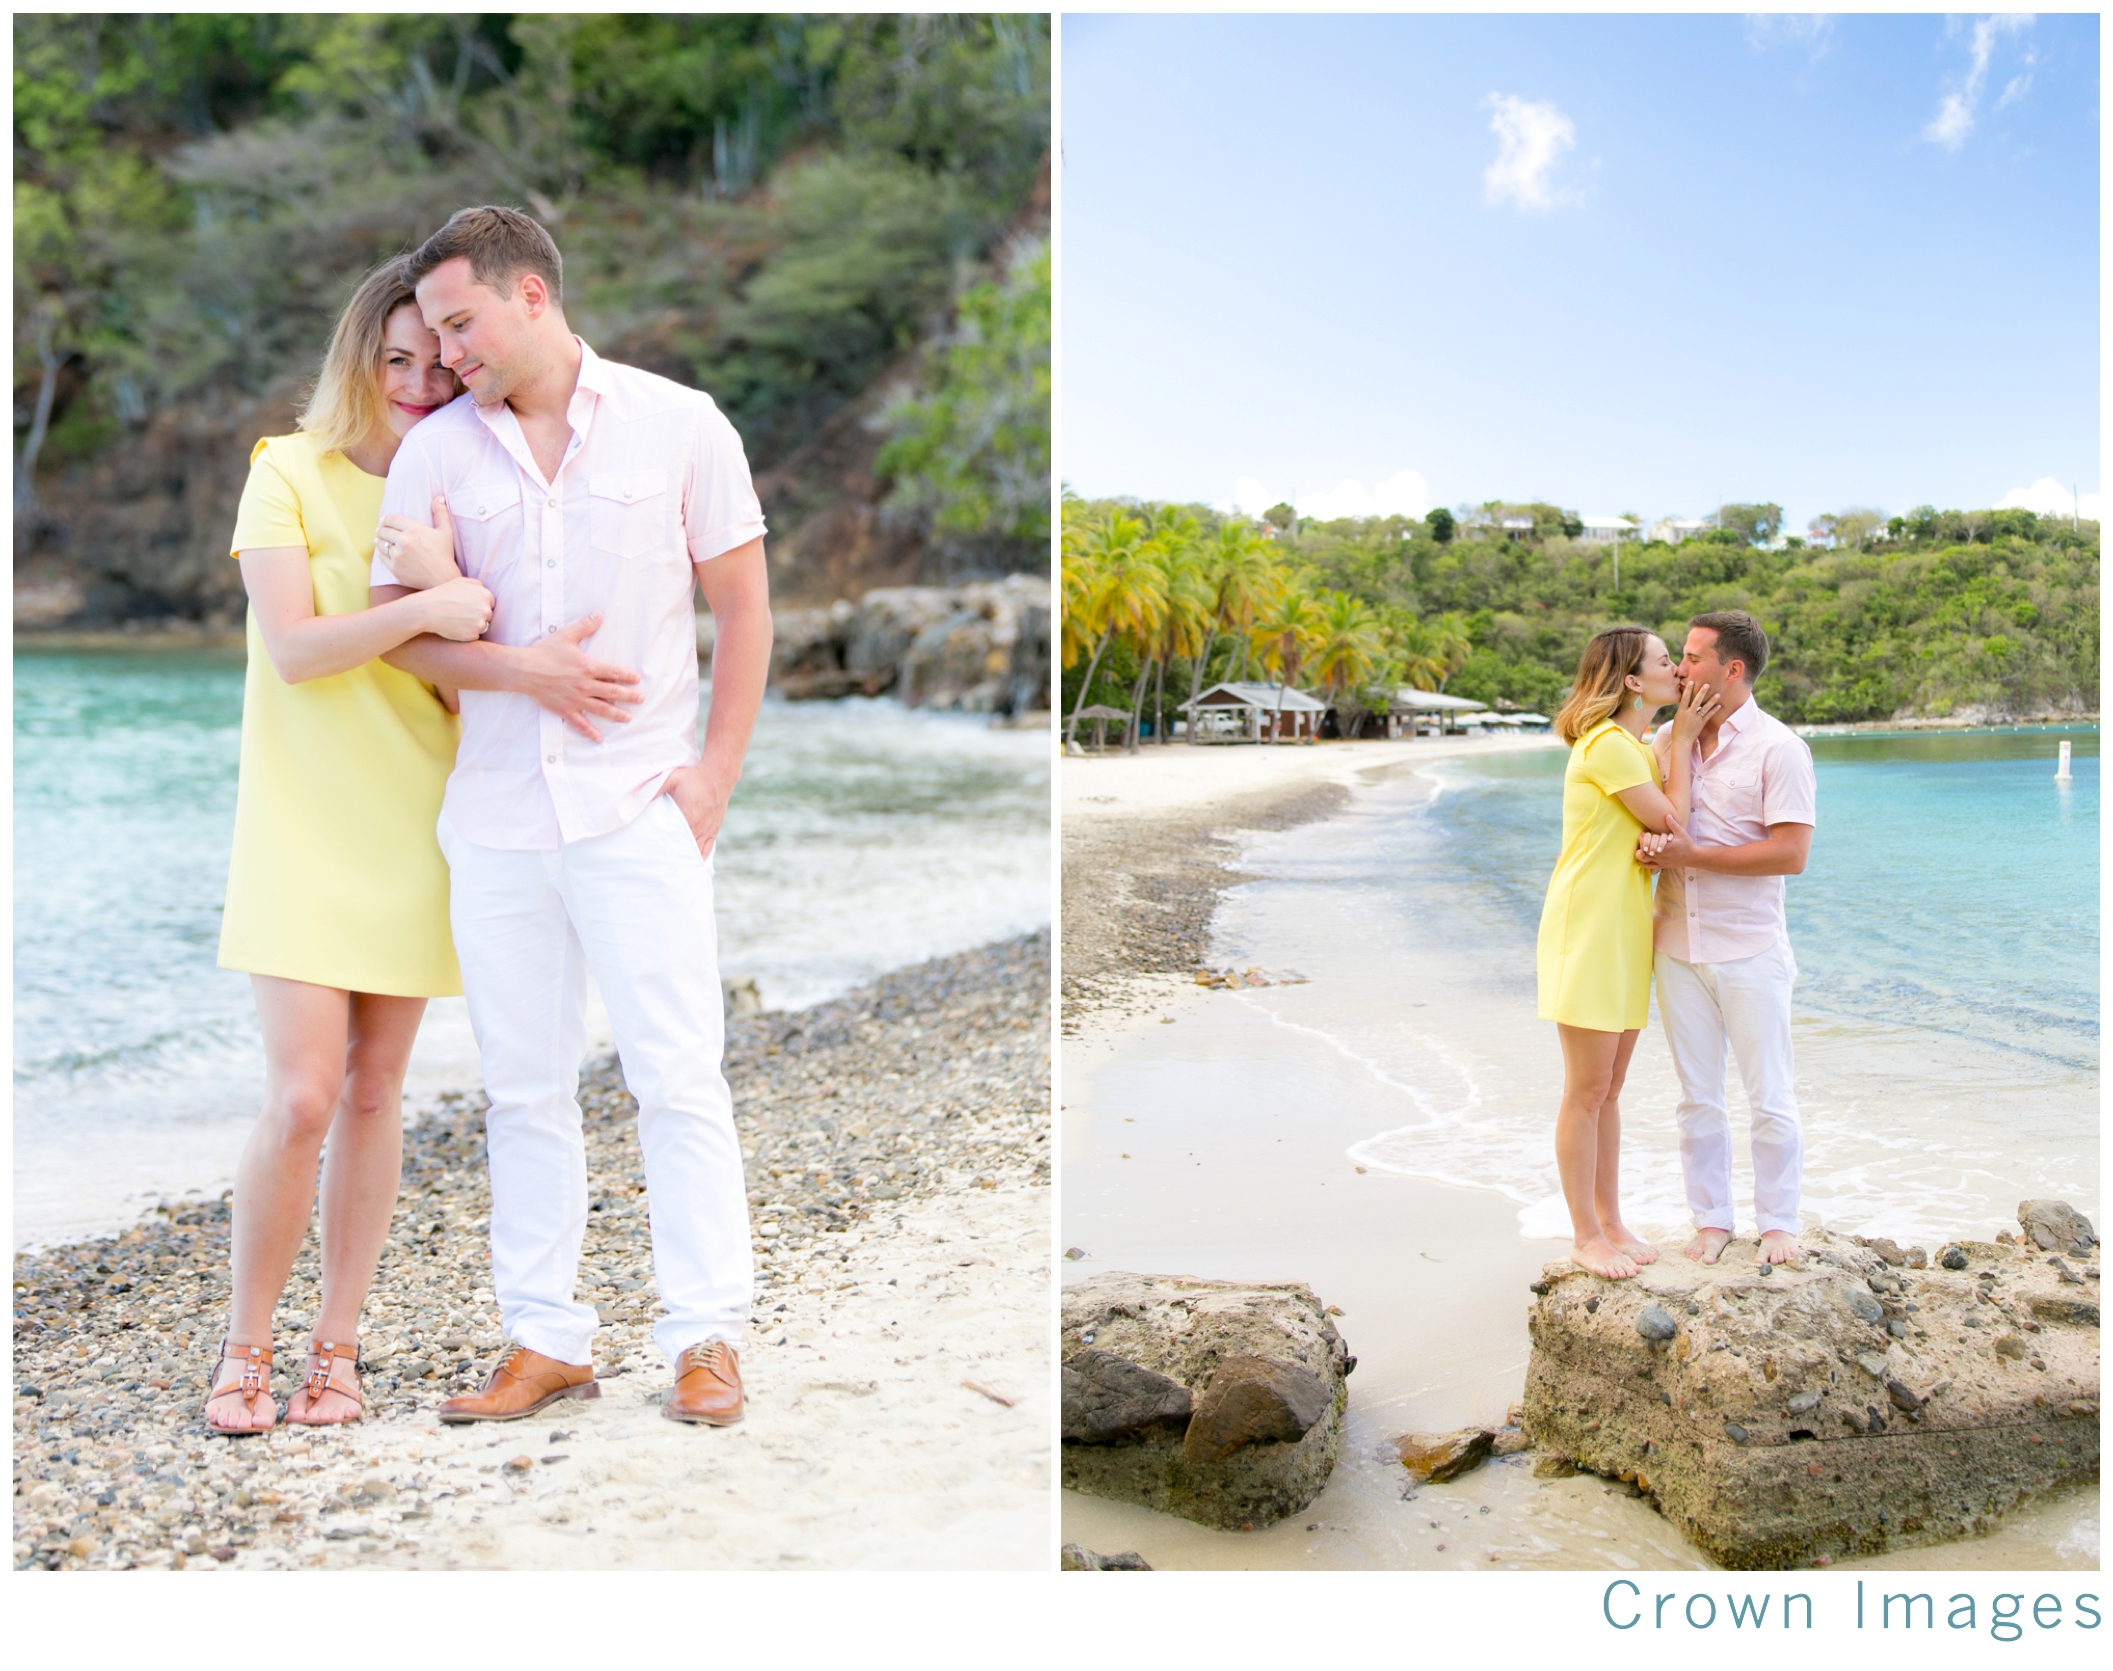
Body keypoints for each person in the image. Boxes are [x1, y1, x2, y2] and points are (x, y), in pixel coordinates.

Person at [368, 205, 774, 1427]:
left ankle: (706, 1335)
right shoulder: (435, 453)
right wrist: (522, 669)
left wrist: (711, 779)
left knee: (676, 1074)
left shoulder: (680, 425)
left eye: (459, 324)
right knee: (523, 1088)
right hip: (492, 816)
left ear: (530, 295)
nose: (446, 355)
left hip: (636, 807)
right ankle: (544, 1341)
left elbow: (744, 614)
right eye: (433, 334)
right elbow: (403, 645)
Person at [207, 261, 498, 1435]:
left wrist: (456, 595)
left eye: (439, 362)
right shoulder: (285, 473)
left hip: (417, 826)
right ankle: (244, 1349)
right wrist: (427, 607)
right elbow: (297, 650)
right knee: (302, 1093)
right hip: (299, 827)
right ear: (357, 360)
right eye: (396, 360)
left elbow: (477, 694)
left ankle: (338, 1354)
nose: (419, 382)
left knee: (376, 1094)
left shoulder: (463, 509)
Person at [1636, 612, 1816, 1267]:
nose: (1679, 668)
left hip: (1750, 950)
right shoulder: (1665, 739)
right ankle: (1709, 1220)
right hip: (1675, 945)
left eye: (1690, 656)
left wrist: (1693, 853)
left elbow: (1790, 853)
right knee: (1695, 1098)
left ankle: (1778, 1224)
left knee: (1769, 1095)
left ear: (1730, 668)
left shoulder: (1778, 748)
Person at [1537, 627, 1718, 1280]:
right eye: (1664, 660)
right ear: (1632, 682)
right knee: (1584, 1090)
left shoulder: (1634, 747)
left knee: (1607, 1089)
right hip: (1586, 928)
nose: (1678, 667)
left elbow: (1653, 829)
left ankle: (1609, 1220)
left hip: (1621, 928)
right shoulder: (1609, 746)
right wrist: (1688, 741)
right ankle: (1584, 1234)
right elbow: (1672, 823)